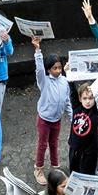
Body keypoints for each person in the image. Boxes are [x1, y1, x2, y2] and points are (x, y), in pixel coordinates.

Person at [32, 38, 71, 184]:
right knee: (42, 144)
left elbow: (67, 101)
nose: (58, 70)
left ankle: (55, 167)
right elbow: (39, 69)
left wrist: (73, 117)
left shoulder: (64, 81)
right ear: (48, 69)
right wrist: (37, 50)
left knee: (54, 143)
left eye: (59, 68)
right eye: (54, 68)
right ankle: (39, 169)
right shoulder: (44, 81)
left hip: (57, 120)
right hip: (44, 119)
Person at [67, 81, 98, 176]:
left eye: (91, 98)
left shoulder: (96, 110)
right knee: (73, 174)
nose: (88, 101)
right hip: (75, 149)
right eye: (85, 98)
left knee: (87, 176)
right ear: (79, 99)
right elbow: (72, 91)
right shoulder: (76, 107)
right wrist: (68, 74)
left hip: (90, 153)